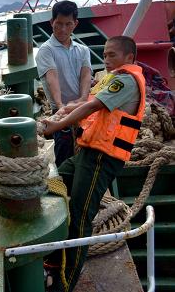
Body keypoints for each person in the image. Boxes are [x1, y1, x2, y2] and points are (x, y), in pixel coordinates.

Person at [43, 36, 146, 292]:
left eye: (112, 55)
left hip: (102, 159)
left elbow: (93, 106)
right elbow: (87, 103)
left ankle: (65, 283)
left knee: (80, 217)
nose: (107, 59)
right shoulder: (112, 78)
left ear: (129, 58)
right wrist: (67, 109)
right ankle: (54, 260)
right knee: (53, 186)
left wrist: (57, 125)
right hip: (88, 154)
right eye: (105, 54)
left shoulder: (126, 81)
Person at [35, 0, 92, 167]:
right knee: (64, 153)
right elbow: (52, 77)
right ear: (52, 22)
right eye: (58, 24)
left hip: (83, 109)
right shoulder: (46, 50)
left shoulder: (83, 50)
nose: (63, 29)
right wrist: (61, 107)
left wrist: (83, 99)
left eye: (68, 24)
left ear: (75, 23)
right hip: (60, 112)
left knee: (86, 153)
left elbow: (86, 76)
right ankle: (64, 187)